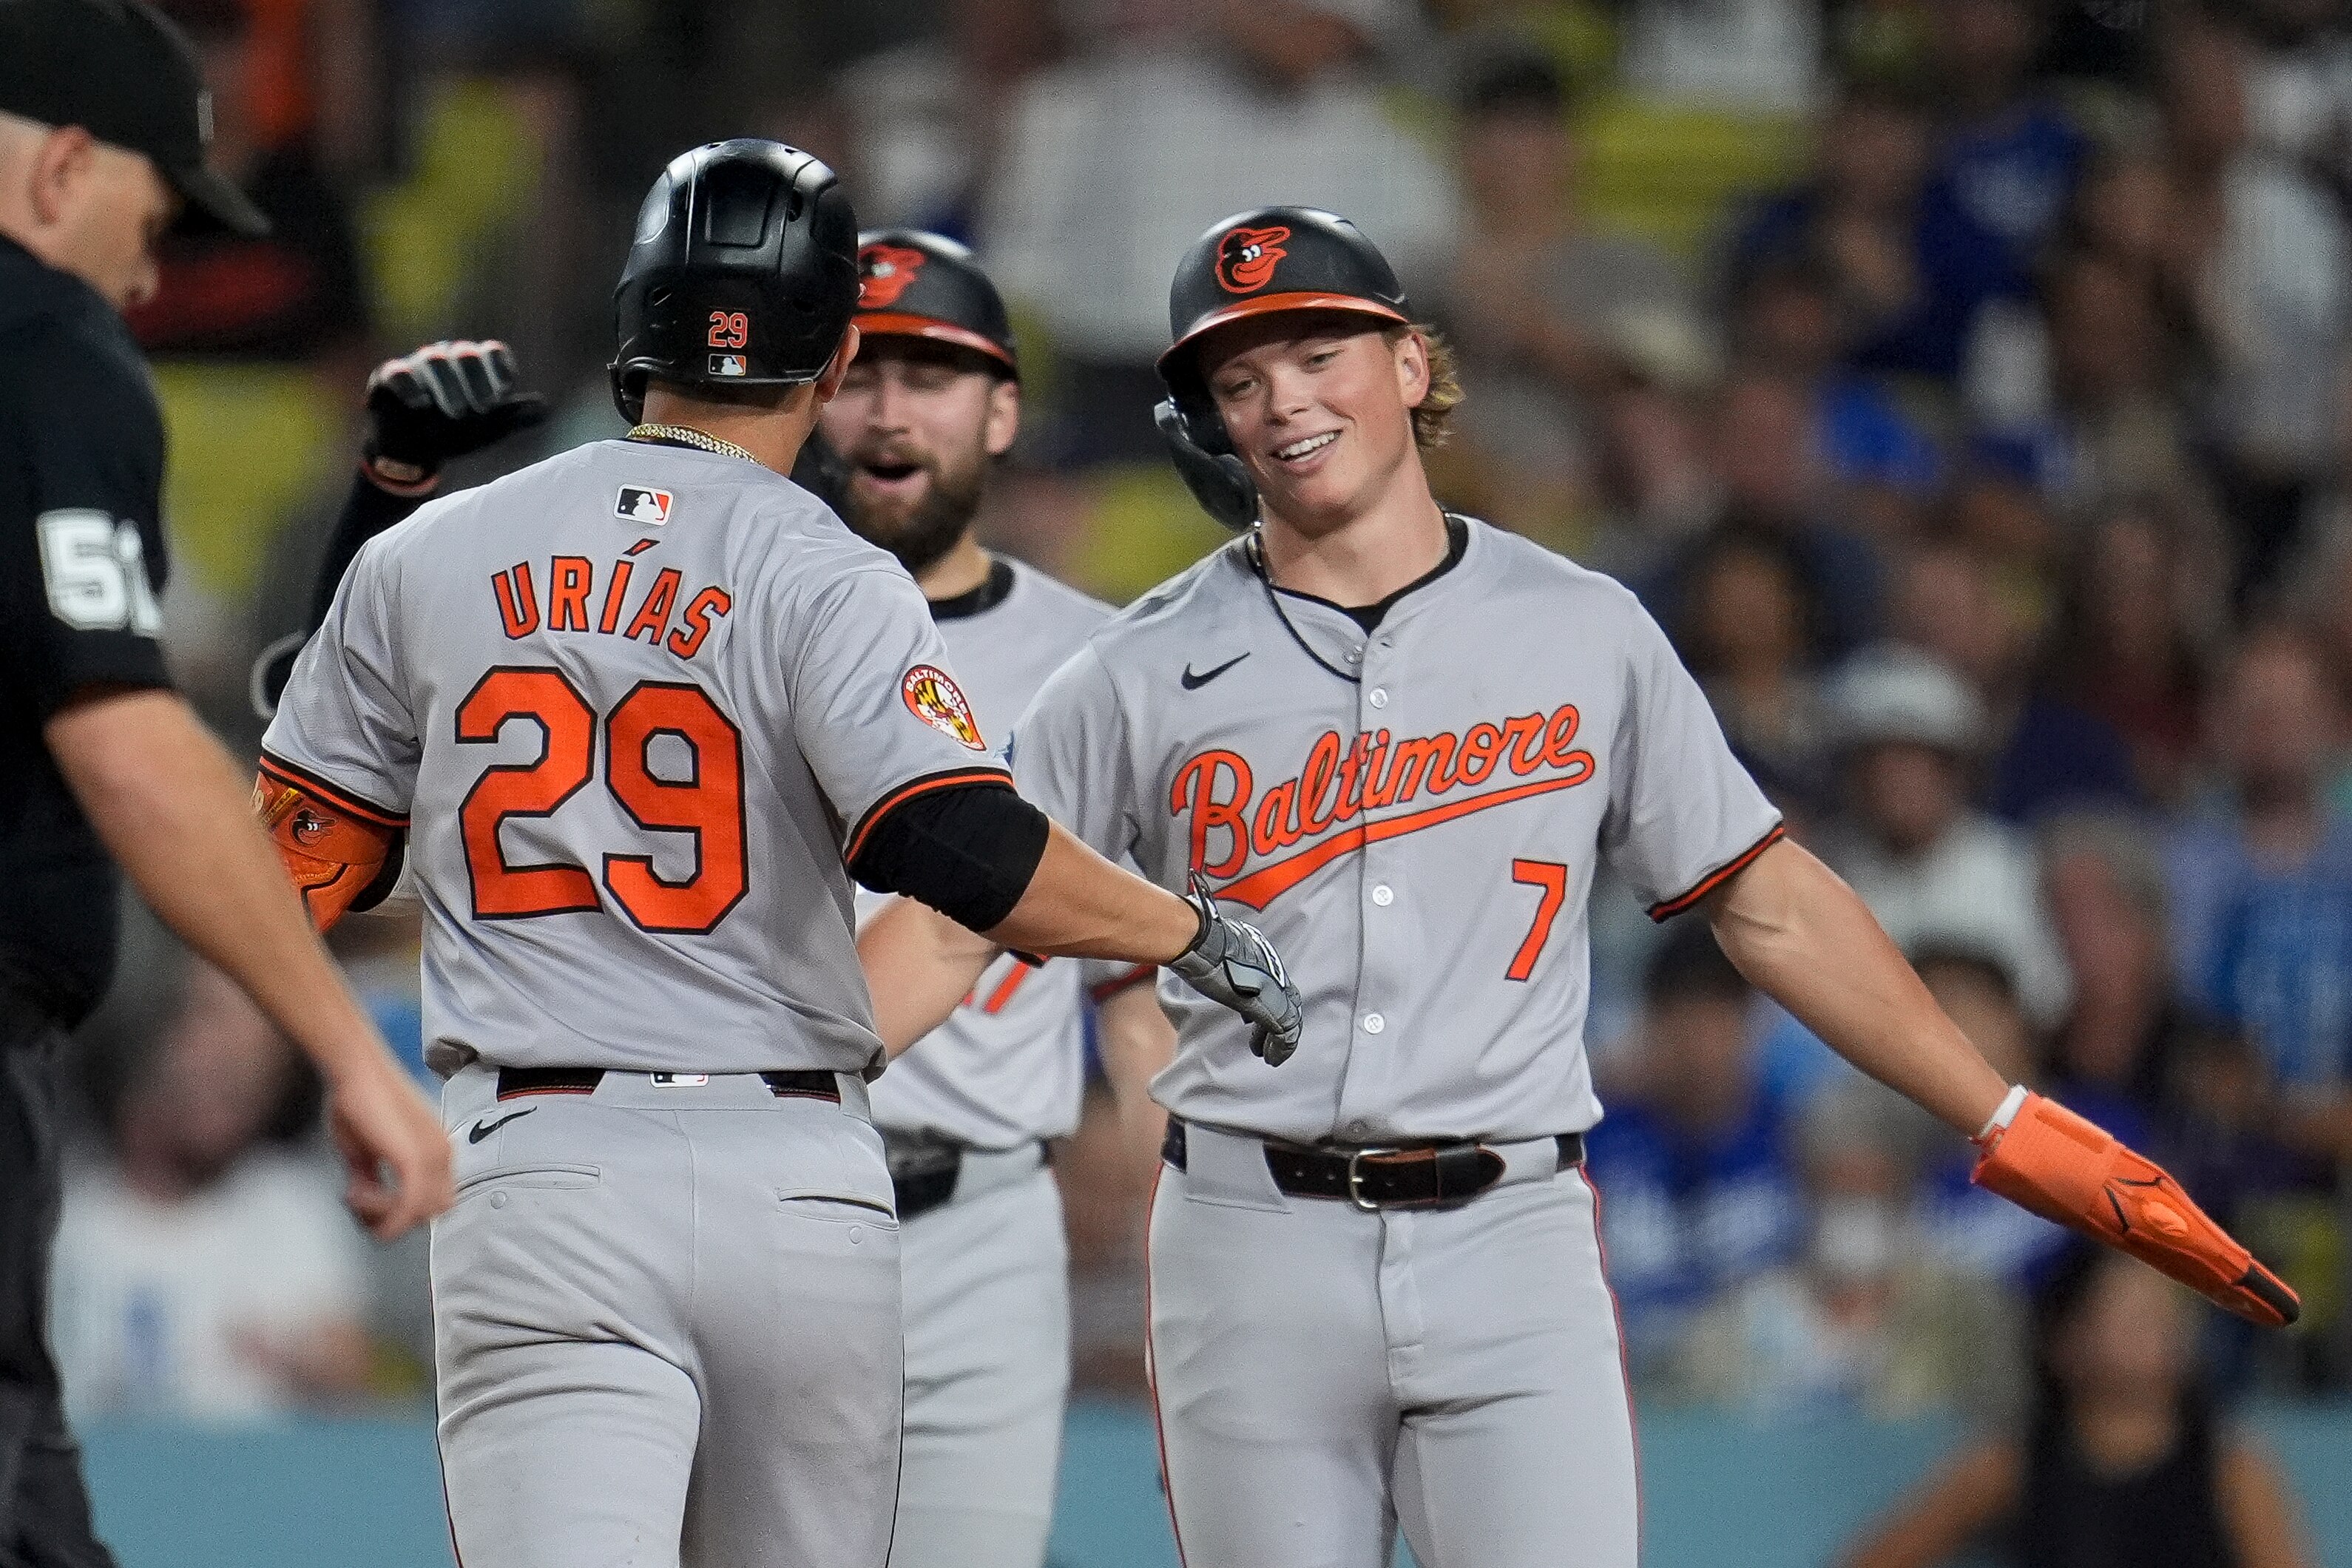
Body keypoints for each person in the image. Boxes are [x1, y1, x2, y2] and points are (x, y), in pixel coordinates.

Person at [859, 205, 2297, 1568]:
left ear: (1413, 364)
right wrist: (739, 1098)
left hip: (1514, 1231)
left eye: (1320, 352)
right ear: (1209, 425)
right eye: (1240, 376)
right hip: (1249, 1240)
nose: (1286, 398)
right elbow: (946, 923)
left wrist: (2000, 1111)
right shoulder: (1132, 669)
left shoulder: (1582, 630)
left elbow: (1768, 899)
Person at [256, 140, 1301, 1568]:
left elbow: (308, 865)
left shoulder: (431, 553)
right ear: (834, 354)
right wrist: (1190, 930)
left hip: (542, 1156)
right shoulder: (829, 571)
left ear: (635, 331)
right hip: (792, 1166)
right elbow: (957, 843)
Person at [0, 4, 450, 1565]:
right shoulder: (43, 344)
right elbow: (127, 743)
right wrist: (349, 1052)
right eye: (159, 209)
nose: (156, 266)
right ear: (64, 163)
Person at [820, 230, 1121, 1568]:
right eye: (859, 371)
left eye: (932, 373)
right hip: (762, 1189)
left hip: (988, 1219)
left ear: (1002, 412)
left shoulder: (1101, 663)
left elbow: (1146, 984)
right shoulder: (709, 623)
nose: (890, 409)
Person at [1841, 1246, 2315, 1568]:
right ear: (2064, 1341)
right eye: (2131, 1320)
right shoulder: (2011, 1466)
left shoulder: (2231, 1470)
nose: (2159, 1332)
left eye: (2165, 1315)